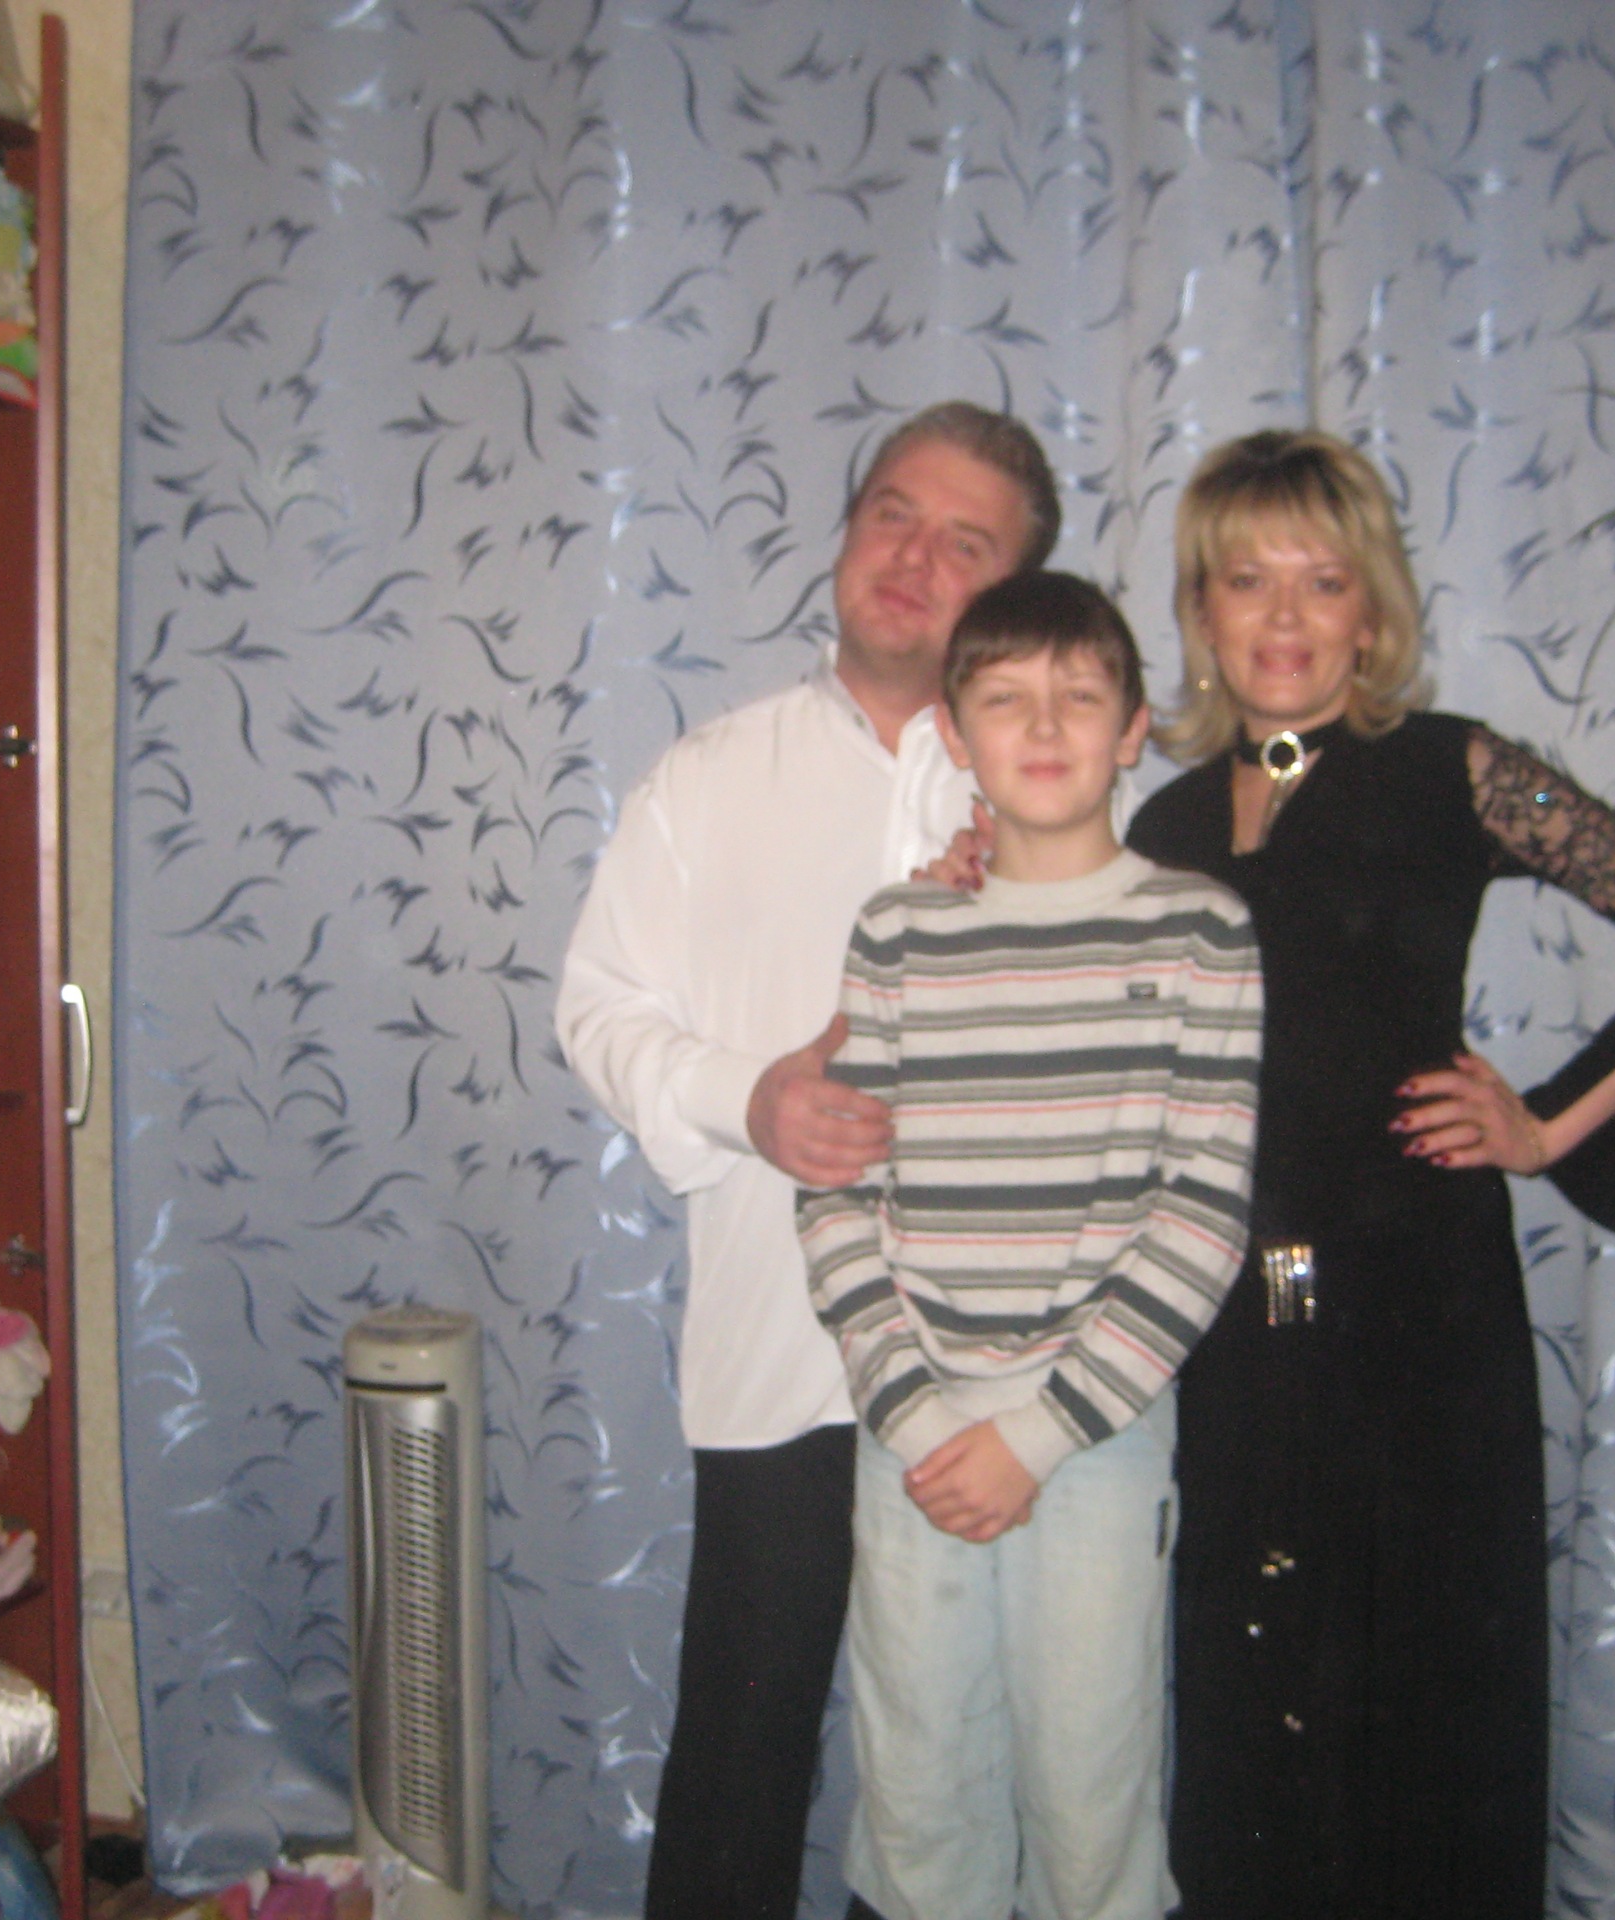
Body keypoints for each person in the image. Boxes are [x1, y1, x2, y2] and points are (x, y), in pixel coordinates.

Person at [1121, 429, 1615, 1918]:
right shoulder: (1167, 825)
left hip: (1415, 1295)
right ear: (1201, 609)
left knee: (1420, 1665)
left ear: (1372, 614)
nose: (1286, 617)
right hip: (1248, 1297)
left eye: (1323, 582)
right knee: (1254, 1636)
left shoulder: (1451, 769)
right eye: (1248, 580)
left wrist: (1549, 1127)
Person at [554, 402, 1063, 1920]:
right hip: (782, 1350)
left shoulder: (1053, 789)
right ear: (846, 533)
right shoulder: (710, 776)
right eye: (893, 513)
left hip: (1006, 1374)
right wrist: (747, 1101)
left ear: (1018, 592)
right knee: (744, 1743)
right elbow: (597, 1006)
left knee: (977, 1769)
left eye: (966, 542)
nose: (914, 555)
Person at [796, 572, 1260, 1920]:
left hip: (1096, 1437)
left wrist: (1044, 1432)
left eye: (1080, 697)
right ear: (955, 733)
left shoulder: (1200, 930)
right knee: (921, 1785)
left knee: (1090, 1793)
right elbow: (835, 1191)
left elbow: (1201, 1214)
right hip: (916, 1433)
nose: (1044, 727)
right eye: (1005, 699)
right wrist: (914, 1409)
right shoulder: (897, 932)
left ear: (1133, 728)